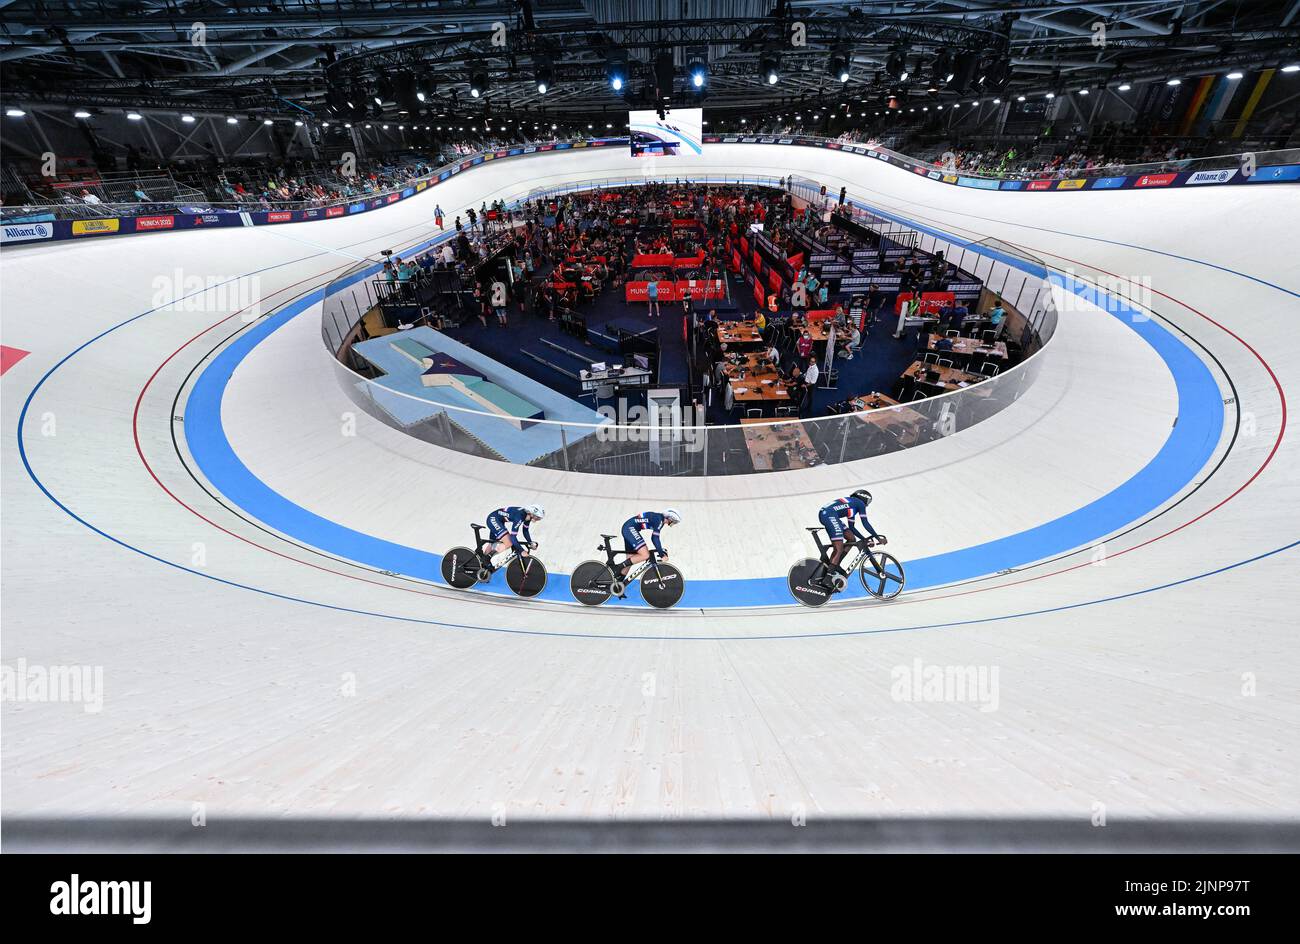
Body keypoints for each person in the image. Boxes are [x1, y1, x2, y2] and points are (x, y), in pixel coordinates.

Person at [817, 490, 885, 586]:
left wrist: (864, 539)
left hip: (829, 514)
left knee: (851, 538)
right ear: (865, 498)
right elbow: (865, 523)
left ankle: (835, 565)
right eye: (868, 502)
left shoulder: (852, 506)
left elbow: (852, 528)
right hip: (829, 515)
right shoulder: (859, 503)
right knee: (839, 548)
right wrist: (878, 538)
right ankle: (828, 577)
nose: (867, 505)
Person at [615, 509, 683, 583]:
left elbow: (655, 538)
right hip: (630, 529)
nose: (673, 523)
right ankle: (618, 567)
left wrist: (661, 551)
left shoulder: (660, 519)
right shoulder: (659, 520)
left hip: (628, 528)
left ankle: (618, 586)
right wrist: (662, 555)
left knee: (630, 560)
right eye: (674, 521)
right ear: (670, 518)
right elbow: (654, 538)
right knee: (645, 555)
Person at [481, 504, 545, 566]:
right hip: (494, 519)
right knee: (508, 543)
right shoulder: (519, 517)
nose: (539, 519)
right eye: (538, 517)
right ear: (532, 514)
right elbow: (513, 537)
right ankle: (487, 557)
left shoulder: (527, 517)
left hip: (498, 519)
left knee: (492, 542)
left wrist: (530, 542)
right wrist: (521, 551)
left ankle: (482, 559)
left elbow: (525, 531)